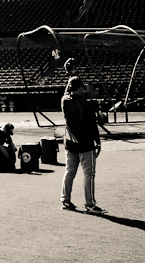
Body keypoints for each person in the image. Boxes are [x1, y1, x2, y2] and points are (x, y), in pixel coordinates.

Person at [60, 76, 105, 214]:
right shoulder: (86, 104)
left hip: (69, 142)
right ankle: (89, 203)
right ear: (79, 87)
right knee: (89, 174)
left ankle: (65, 200)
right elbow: (92, 126)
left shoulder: (64, 101)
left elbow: (67, 95)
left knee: (69, 172)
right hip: (85, 143)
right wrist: (97, 142)